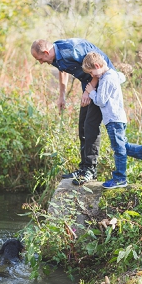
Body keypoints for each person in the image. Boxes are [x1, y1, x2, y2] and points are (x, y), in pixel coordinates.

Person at [31, 38, 115, 185]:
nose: (41, 62)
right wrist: (62, 96)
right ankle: (83, 168)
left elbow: (97, 66)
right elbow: (63, 70)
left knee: (90, 125)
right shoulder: (54, 56)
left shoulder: (73, 49)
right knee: (82, 125)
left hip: (102, 81)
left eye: (40, 59)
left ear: (46, 52)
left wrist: (90, 90)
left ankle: (90, 170)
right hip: (89, 85)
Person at [81, 52, 142, 188]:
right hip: (117, 118)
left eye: (91, 72)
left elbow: (101, 100)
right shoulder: (112, 75)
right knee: (124, 147)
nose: (92, 76)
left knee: (119, 149)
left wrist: (91, 91)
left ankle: (120, 178)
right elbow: (122, 77)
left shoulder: (106, 79)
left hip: (113, 119)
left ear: (97, 65)